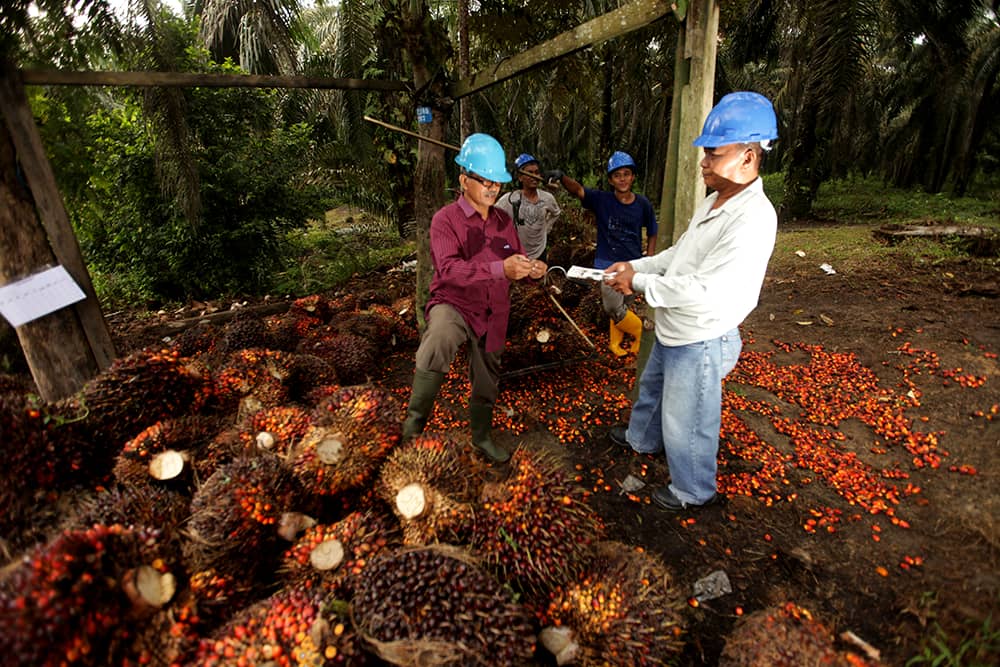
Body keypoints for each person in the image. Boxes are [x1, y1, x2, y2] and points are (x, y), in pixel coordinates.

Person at [603, 91, 780, 511]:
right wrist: (638, 263)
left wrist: (640, 282)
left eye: (713, 155)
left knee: (690, 418)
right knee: (651, 388)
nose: (703, 164)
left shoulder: (753, 220)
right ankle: (641, 439)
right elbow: (679, 254)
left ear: (749, 158)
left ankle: (693, 489)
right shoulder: (715, 200)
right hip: (674, 327)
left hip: (701, 334)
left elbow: (705, 288)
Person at [401, 133, 547, 463]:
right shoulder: (445, 220)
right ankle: (412, 429)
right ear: (464, 179)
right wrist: (501, 269)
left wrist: (532, 267)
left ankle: (481, 437)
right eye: (485, 181)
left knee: (488, 372)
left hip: (495, 306)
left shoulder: (503, 221)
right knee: (438, 338)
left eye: (497, 182)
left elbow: (515, 257)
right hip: (455, 303)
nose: (493, 188)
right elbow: (450, 269)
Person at [544, 152, 657, 356]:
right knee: (612, 307)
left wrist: (648, 259)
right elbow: (578, 190)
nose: (622, 178)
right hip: (607, 264)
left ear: (633, 177)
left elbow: (652, 232)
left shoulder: (643, 204)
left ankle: (616, 344)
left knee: (622, 306)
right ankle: (641, 331)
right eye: (617, 175)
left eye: (626, 174)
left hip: (633, 265)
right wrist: (561, 177)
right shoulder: (602, 200)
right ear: (611, 180)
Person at [496, 153, 562, 262]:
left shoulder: (547, 198)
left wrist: (546, 228)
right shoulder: (509, 199)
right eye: (529, 173)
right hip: (518, 254)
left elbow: (556, 213)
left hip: (540, 251)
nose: (534, 176)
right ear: (520, 177)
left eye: (536, 172)